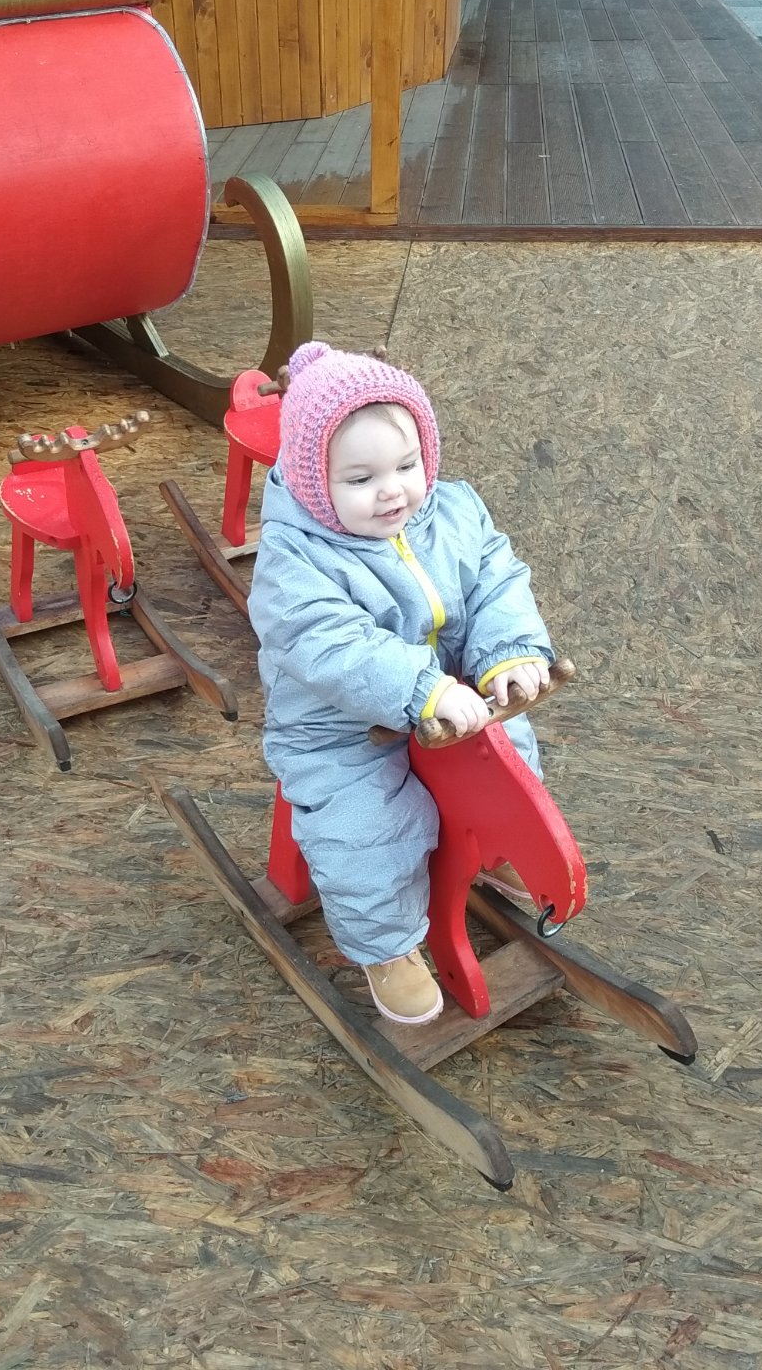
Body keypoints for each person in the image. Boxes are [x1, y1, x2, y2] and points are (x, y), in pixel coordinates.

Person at [247, 342, 554, 1027]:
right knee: (367, 829)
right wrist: (420, 686)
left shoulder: (451, 512)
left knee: (513, 756)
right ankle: (387, 946)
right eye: (361, 478)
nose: (393, 491)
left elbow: (496, 577)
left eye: (408, 466)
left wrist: (508, 653)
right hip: (340, 728)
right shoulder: (295, 561)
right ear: (312, 479)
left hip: (453, 699)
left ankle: (495, 848)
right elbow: (328, 640)